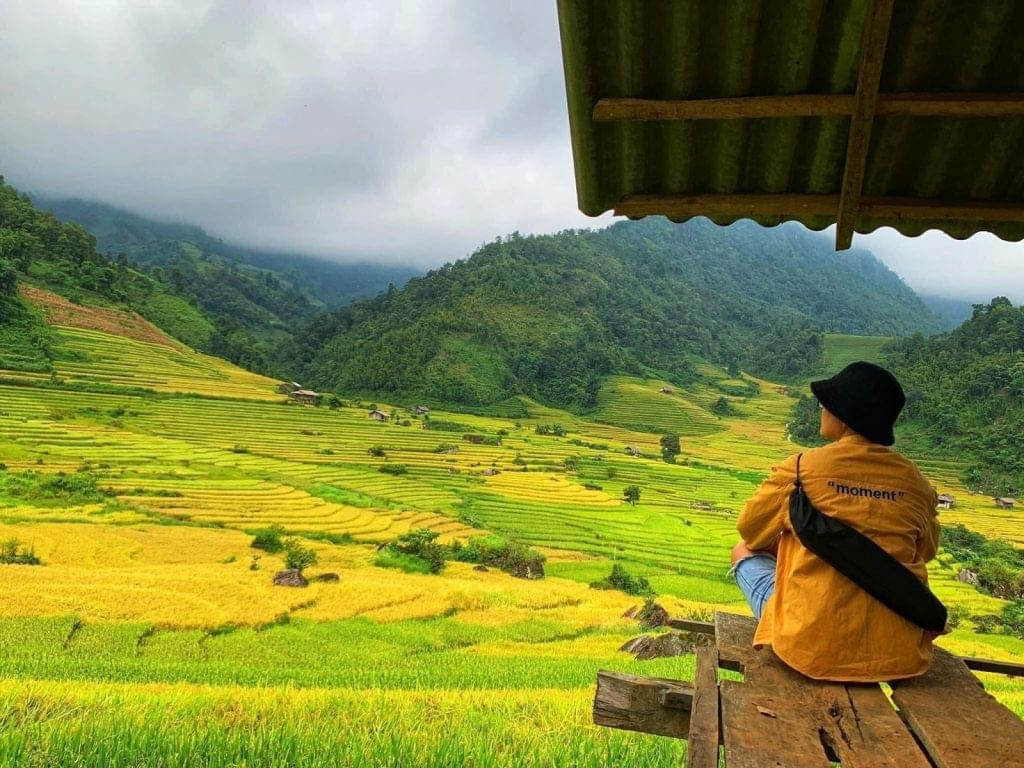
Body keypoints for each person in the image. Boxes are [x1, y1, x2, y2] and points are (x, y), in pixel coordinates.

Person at [731, 361, 940, 682]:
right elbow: (923, 552)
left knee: (742, 551)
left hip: (810, 651)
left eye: (825, 403)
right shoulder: (916, 483)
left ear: (842, 416)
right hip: (900, 655)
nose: (821, 408)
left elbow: (751, 530)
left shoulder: (801, 470)